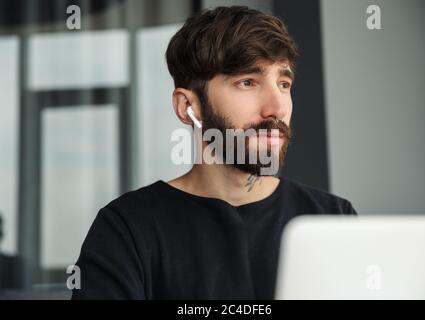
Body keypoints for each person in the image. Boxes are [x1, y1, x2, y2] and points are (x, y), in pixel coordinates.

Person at [72, 6, 357, 300]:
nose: (277, 108)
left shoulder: (333, 219)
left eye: (283, 84)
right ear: (188, 107)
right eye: (247, 82)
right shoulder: (126, 230)